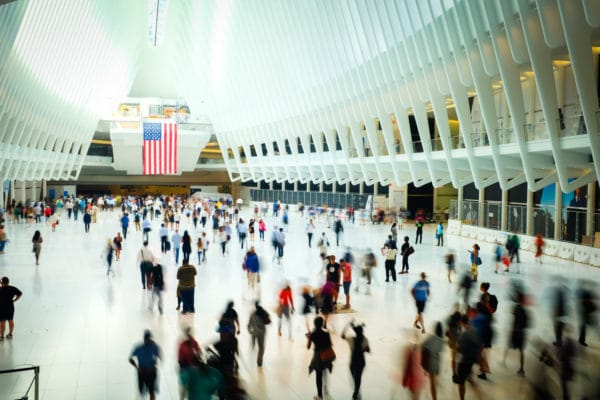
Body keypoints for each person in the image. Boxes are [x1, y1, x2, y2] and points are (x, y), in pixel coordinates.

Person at [454, 314, 483, 400]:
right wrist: (478, 359)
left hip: (463, 362)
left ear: (462, 323)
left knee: (461, 383)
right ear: (469, 321)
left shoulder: (463, 335)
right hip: (471, 361)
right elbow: (480, 346)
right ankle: (480, 395)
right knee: (470, 380)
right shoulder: (476, 331)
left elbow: (459, 350)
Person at [129, 330, 162, 400]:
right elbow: (130, 359)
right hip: (144, 372)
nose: (150, 340)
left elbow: (159, 357)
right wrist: (137, 367)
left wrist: (155, 365)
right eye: (149, 339)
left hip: (148, 372)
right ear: (146, 339)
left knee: (151, 391)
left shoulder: (152, 347)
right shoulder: (140, 347)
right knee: (143, 391)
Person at [342, 320, 370, 400]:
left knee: (354, 377)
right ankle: (356, 390)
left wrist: (348, 326)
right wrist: (363, 349)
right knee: (358, 377)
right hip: (361, 362)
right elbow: (368, 350)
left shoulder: (351, 339)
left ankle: (356, 390)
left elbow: (342, 336)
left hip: (353, 362)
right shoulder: (365, 339)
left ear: (355, 332)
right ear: (362, 332)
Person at [308, 316, 334, 400]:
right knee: (325, 371)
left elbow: (308, 346)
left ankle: (319, 395)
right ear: (322, 324)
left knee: (318, 375)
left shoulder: (313, 334)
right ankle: (326, 388)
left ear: (314, 324)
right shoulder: (326, 333)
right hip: (326, 355)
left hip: (318, 356)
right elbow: (330, 344)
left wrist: (309, 338)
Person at [503, 294, 530, 376]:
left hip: (515, 332)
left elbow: (514, 319)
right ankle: (521, 369)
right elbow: (527, 324)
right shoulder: (525, 311)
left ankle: (503, 361)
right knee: (521, 351)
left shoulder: (516, 308)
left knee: (508, 345)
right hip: (521, 333)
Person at [421, 322, 445, 400]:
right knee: (433, 380)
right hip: (437, 363)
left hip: (430, 362)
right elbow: (441, 350)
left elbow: (422, 346)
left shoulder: (431, 337)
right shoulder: (442, 340)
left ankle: (434, 398)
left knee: (432, 383)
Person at [178, 326, 202, 400]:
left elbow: (198, 351)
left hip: (191, 368)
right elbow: (180, 360)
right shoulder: (182, 345)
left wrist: (197, 356)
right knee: (184, 387)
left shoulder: (192, 341)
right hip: (186, 368)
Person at [247, 302, 271, 366]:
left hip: (254, 331)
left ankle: (252, 347)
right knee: (261, 347)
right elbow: (269, 321)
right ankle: (259, 361)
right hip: (262, 332)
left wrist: (249, 331)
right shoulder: (263, 313)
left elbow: (249, 324)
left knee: (253, 343)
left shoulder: (253, 314)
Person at [577, 280, 597, 346]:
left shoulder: (588, 293)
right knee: (585, 327)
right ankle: (581, 341)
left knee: (585, 327)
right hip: (585, 313)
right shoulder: (584, 293)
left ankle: (581, 340)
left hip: (587, 313)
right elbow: (584, 302)